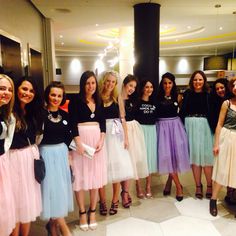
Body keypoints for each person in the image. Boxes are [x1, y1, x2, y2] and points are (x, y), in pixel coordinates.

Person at [68, 71, 107, 231]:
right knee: (80, 176)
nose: (91, 86)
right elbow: (72, 123)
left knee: (94, 177)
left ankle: (92, 211)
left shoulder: (99, 100)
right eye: (87, 83)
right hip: (81, 142)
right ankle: (82, 212)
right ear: (82, 85)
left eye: (93, 83)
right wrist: (78, 143)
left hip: (96, 141)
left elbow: (102, 123)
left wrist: (102, 139)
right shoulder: (76, 101)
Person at [9, 76, 43, 236]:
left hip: (29, 159)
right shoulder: (8, 111)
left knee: (27, 201)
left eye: (31, 91)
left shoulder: (32, 112)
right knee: (15, 202)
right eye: (24, 89)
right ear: (17, 89)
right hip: (13, 160)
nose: (27, 93)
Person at [40, 81, 73, 236]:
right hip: (46, 155)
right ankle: (64, 228)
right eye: (53, 94)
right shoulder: (40, 114)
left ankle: (52, 226)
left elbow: (68, 136)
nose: (56, 98)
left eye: (59, 95)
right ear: (48, 95)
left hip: (62, 155)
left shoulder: (65, 115)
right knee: (51, 191)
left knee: (60, 190)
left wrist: (69, 157)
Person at [98, 71, 134, 215]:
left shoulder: (117, 98)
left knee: (116, 169)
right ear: (103, 81)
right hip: (100, 134)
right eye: (108, 81)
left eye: (113, 82)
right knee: (100, 169)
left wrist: (126, 137)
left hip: (115, 135)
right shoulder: (98, 97)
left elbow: (122, 119)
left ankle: (114, 199)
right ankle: (102, 201)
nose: (110, 84)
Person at [180, 70, 213, 200]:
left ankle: (209, 185)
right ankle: (198, 186)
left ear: (204, 81)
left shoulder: (208, 94)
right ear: (191, 81)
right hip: (190, 126)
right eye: (195, 80)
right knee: (194, 158)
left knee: (206, 157)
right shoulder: (187, 94)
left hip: (204, 126)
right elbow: (182, 111)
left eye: (200, 79)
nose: (197, 82)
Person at [156, 73, 190, 201]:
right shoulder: (157, 97)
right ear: (162, 84)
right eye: (165, 83)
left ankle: (169, 182)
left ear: (173, 83)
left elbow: (183, 111)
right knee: (166, 156)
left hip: (175, 127)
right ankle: (178, 186)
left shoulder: (179, 96)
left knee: (174, 156)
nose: (167, 85)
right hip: (162, 127)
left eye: (170, 83)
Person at [210, 77, 236, 216]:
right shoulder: (226, 103)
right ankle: (213, 200)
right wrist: (216, 143)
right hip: (226, 137)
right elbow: (219, 124)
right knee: (222, 169)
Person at [120, 74, 149, 202]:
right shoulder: (118, 99)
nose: (132, 88)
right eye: (130, 85)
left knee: (132, 162)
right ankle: (123, 192)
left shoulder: (134, 100)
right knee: (123, 163)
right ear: (124, 84)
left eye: (134, 87)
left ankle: (126, 192)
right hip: (121, 131)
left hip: (134, 131)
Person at [135, 79, 158, 198]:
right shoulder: (137, 103)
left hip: (152, 131)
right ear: (142, 88)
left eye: (151, 87)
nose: (149, 89)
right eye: (147, 87)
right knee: (140, 158)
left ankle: (148, 185)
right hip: (141, 130)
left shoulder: (155, 102)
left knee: (149, 158)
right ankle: (138, 186)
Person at [0, 74, 16, 236]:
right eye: (2, 88)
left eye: (9, 89)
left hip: (2, 162)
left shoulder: (6, 115)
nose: (6, 92)